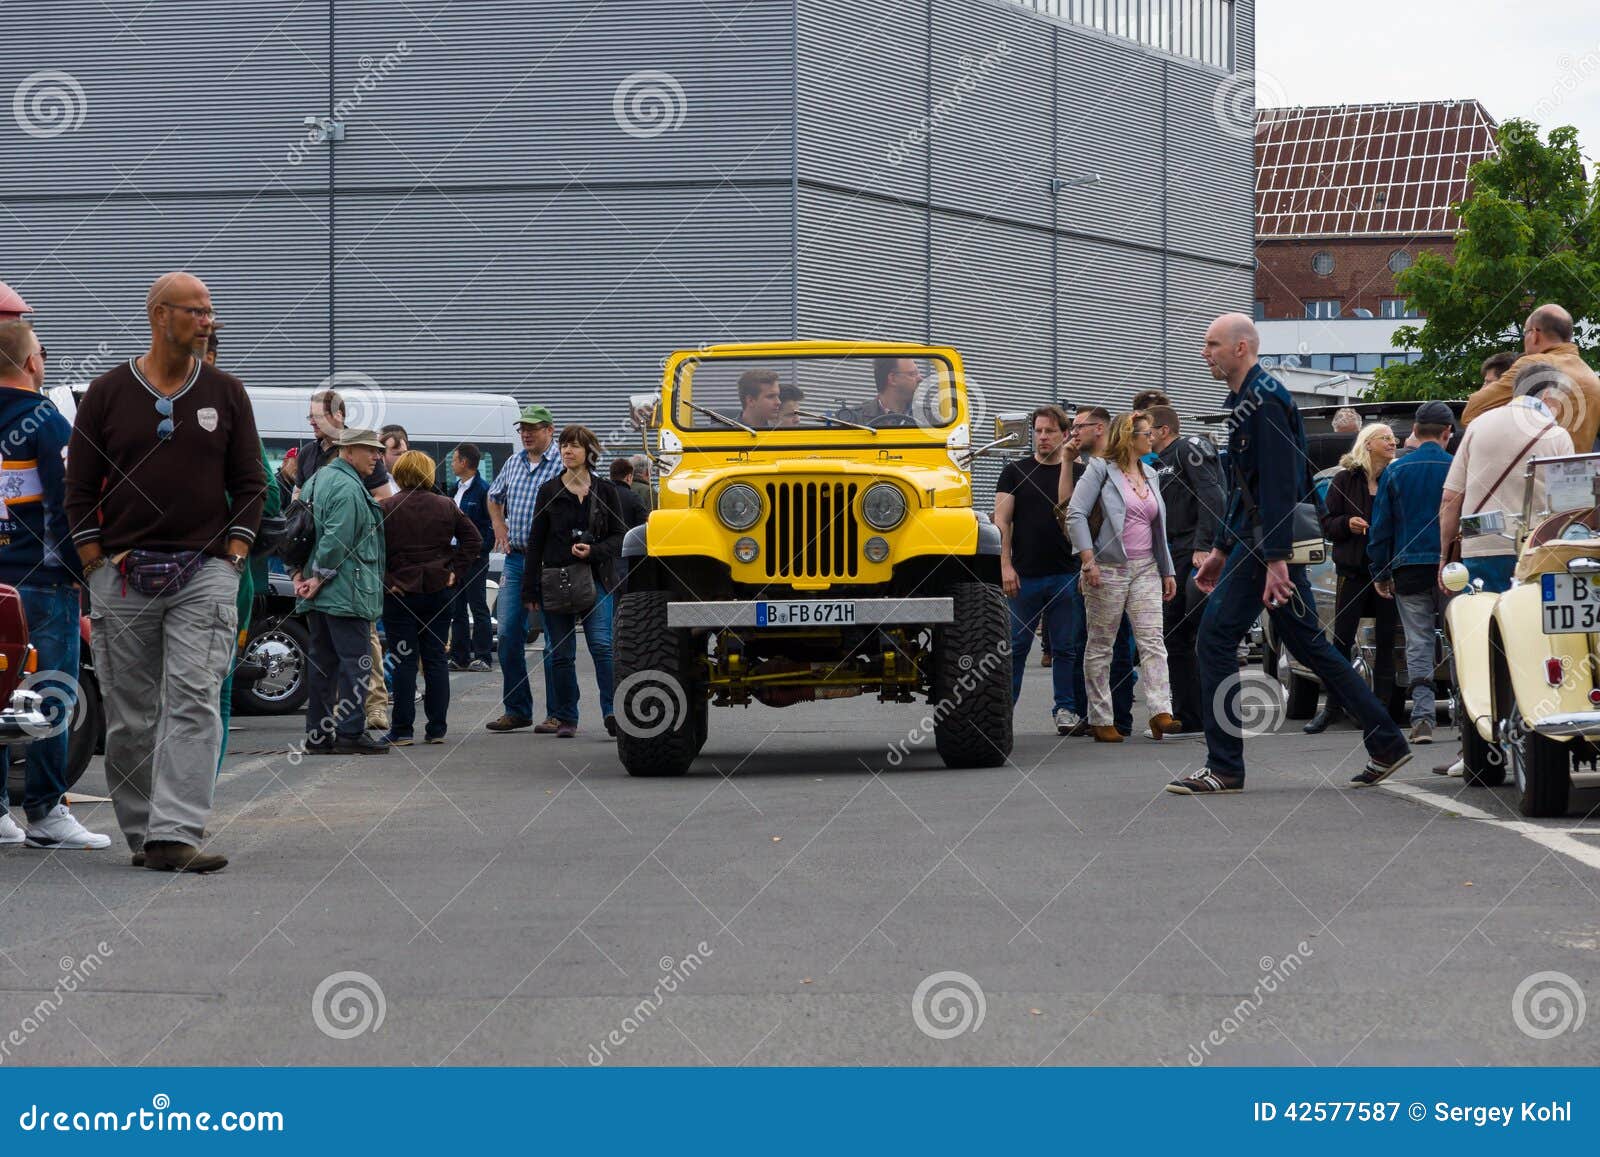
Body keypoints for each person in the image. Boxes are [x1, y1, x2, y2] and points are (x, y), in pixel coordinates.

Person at [65, 271, 265, 872]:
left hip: (204, 572)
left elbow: (251, 483)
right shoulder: (105, 394)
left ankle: (174, 834)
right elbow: (76, 491)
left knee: (194, 699)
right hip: (122, 576)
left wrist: (232, 557)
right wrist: (95, 561)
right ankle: (142, 833)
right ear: (160, 315)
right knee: (129, 715)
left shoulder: (227, 394)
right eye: (198, 311)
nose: (210, 321)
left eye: (211, 312)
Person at [1169, 314, 1409, 795]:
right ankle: (1386, 742)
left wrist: (1276, 560)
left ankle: (1225, 766)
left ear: (1241, 348)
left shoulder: (1266, 401)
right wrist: (1219, 549)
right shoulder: (1239, 401)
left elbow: (1281, 486)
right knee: (1309, 646)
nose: (1204, 353)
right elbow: (1245, 489)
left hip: (1266, 546)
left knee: (1214, 639)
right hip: (1258, 543)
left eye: (1211, 344)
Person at [0, 321, 106, 851]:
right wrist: (80, 569)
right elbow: (70, 507)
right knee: (51, 693)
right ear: (33, 363)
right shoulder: (48, 422)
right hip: (41, 582)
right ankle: (45, 811)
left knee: (0, 692)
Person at [1066, 411, 1180, 743]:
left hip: (1146, 567)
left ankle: (1161, 711)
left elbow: (1158, 527)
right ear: (1129, 438)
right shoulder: (1100, 470)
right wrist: (1088, 560)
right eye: (1146, 433)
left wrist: (1167, 569)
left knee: (1153, 641)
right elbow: (1075, 513)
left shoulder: (1151, 473)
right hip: (1108, 567)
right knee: (1102, 645)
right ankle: (1101, 717)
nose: (1152, 438)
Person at [294, 428, 388, 756]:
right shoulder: (348, 488)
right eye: (370, 451)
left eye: (378, 451)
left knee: (322, 664)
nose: (377, 457)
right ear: (348, 452)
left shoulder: (315, 481)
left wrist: (300, 576)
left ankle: (318, 736)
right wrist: (319, 577)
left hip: (318, 592)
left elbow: (295, 531)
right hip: (346, 590)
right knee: (356, 663)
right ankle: (350, 732)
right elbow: (336, 539)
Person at [529, 425, 626, 738]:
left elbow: (620, 536)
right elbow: (536, 541)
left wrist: (594, 551)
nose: (567, 451)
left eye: (574, 446)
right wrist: (529, 588)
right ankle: (567, 717)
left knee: (601, 646)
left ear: (589, 452)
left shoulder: (606, 490)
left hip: (596, 578)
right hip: (555, 578)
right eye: (564, 446)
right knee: (561, 653)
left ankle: (613, 712)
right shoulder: (548, 490)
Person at [380, 450, 482, 745]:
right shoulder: (446, 505)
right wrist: (455, 571)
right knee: (435, 658)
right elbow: (473, 539)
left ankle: (402, 730)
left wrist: (387, 581)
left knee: (403, 661)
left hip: (400, 592)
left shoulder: (386, 507)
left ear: (399, 473)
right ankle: (436, 728)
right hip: (439, 590)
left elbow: (371, 552)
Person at [1303, 422, 1399, 736]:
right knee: (1341, 641)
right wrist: (1348, 524)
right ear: (1367, 444)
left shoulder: (1395, 477)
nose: (1392, 442)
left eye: (1393, 438)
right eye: (1384, 438)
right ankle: (1331, 707)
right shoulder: (1345, 479)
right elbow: (1327, 522)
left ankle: (1381, 709)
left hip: (1385, 570)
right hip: (1353, 571)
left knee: (1387, 641)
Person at [1368, 402, 1454, 746]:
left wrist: (1380, 571)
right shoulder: (1457, 468)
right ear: (1448, 433)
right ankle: (1467, 716)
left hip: (1409, 566)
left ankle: (1422, 717)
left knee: (1418, 641)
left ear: (1415, 432)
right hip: (1452, 566)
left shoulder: (1395, 470)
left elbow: (1381, 529)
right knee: (1460, 638)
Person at [995, 406, 1081, 734]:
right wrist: (1004, 565)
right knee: (1015, 648)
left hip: (1066, 574)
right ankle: (1003, 710)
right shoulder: (1015, 471)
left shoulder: (1079, 470)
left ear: (1064, 434)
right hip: (1023, 575)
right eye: (1038, 431)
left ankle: (1066, 709)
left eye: (1050, 431)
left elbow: (1082, 518)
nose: (1043, 437)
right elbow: (1001, 521)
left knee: (1065, 647)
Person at [1057, 407, 1136, 735]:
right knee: (1085, 642)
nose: (1072, 432)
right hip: (1089, 567)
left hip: (1118, 566)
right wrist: (1065, 462)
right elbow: (1066, 513)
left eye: (1079, 426)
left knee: (1116, 644)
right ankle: (1091, 715)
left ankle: (1119, 717)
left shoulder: (1120, 467)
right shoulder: (1087, 468)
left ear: (1100, 428)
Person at [1148, 404, 1227, 734]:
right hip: (1169, 554)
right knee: (1174, 636)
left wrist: (1204, 545)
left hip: (1191, 553)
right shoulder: (1154, 462)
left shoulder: (1188, 449)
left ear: (1164, 430)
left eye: (1147, 429)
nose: (1143, 435)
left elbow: (1213, 496)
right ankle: (1189, 714)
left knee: (1200, 632)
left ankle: (1212, 714)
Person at [486, 404, 564, 732]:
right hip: (517, 560)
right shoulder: (513, 463)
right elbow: (494, 496)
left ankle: (558, 713)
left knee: (554, 638)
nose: (526, 433)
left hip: (550, 562)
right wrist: (498, 527)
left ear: (550, 430)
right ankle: (517, 709)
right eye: (522, 429)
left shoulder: (564, 463)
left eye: (532, 428)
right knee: (506, 634)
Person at [1462, 304, 1600, 451]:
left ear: (1534, 334)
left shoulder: (1532, 365)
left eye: (1525, 333)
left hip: (1528, 470)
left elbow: (1471, 414)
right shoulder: (1592, 378)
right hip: (1575, 471)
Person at [448, 442, 495, 672]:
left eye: (454, 459)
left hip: (474, 558)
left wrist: (479, 551)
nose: (451, 464)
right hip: (455, 558)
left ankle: (483, 656)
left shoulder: (484, 490)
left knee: (478, 607)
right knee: (457, 608)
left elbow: (490, 526)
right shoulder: (454, 489)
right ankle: (459, 656)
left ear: (465, 462)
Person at [837, 357, 920, 425]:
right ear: (892, 379)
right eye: (912, 374)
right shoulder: (854, 421)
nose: (920, 379)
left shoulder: (927, 418)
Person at [609, 458, 648, 529]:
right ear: (628, 477)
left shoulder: (600, 493)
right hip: (627, 539)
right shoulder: (635, 498)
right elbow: (643, 527)